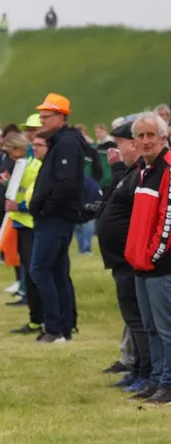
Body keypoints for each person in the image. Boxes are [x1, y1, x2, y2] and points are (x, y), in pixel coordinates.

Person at [96, 118, 153, 396]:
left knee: (140, 320)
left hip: (130, 259)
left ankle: (146, 373)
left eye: (119, 144)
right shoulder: (132, 172)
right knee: (134, 319)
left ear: (134, 144)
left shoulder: (141, 173)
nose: (117, 150)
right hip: (121, 259)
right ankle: (138, 370)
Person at [28, 93, 85, 344]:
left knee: (40, 270)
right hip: (54, 217)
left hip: (55, 218)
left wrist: (47, 208)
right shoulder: (60, 141)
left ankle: (55, 327)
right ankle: (64, 326)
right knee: (57, 272)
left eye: (46, 117)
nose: (42, 121)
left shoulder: (66, 144)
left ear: (60, 117)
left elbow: (66, 184)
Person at [124, 112, 171, 403]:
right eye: (140, 136)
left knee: (166, 329)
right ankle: (155, 380)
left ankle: (168, 382)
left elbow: (168, 219)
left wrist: (153, 254)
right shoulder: (144, 169)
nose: (145, 141)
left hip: (160, 264)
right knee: (150, 327)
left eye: (150, 135)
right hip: (141, 263)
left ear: (163, 137)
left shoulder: (167, 168)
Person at [3, 133, 44, 334]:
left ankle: (39, 318)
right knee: (27, 271)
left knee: (34, 272)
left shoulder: (33, 166)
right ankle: (35, 317)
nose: (10, 157)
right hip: (20, 223)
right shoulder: (21, 166)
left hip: (31, 224)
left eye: (11, 152)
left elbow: (35, 196)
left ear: (19, 149)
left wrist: (18, 206)